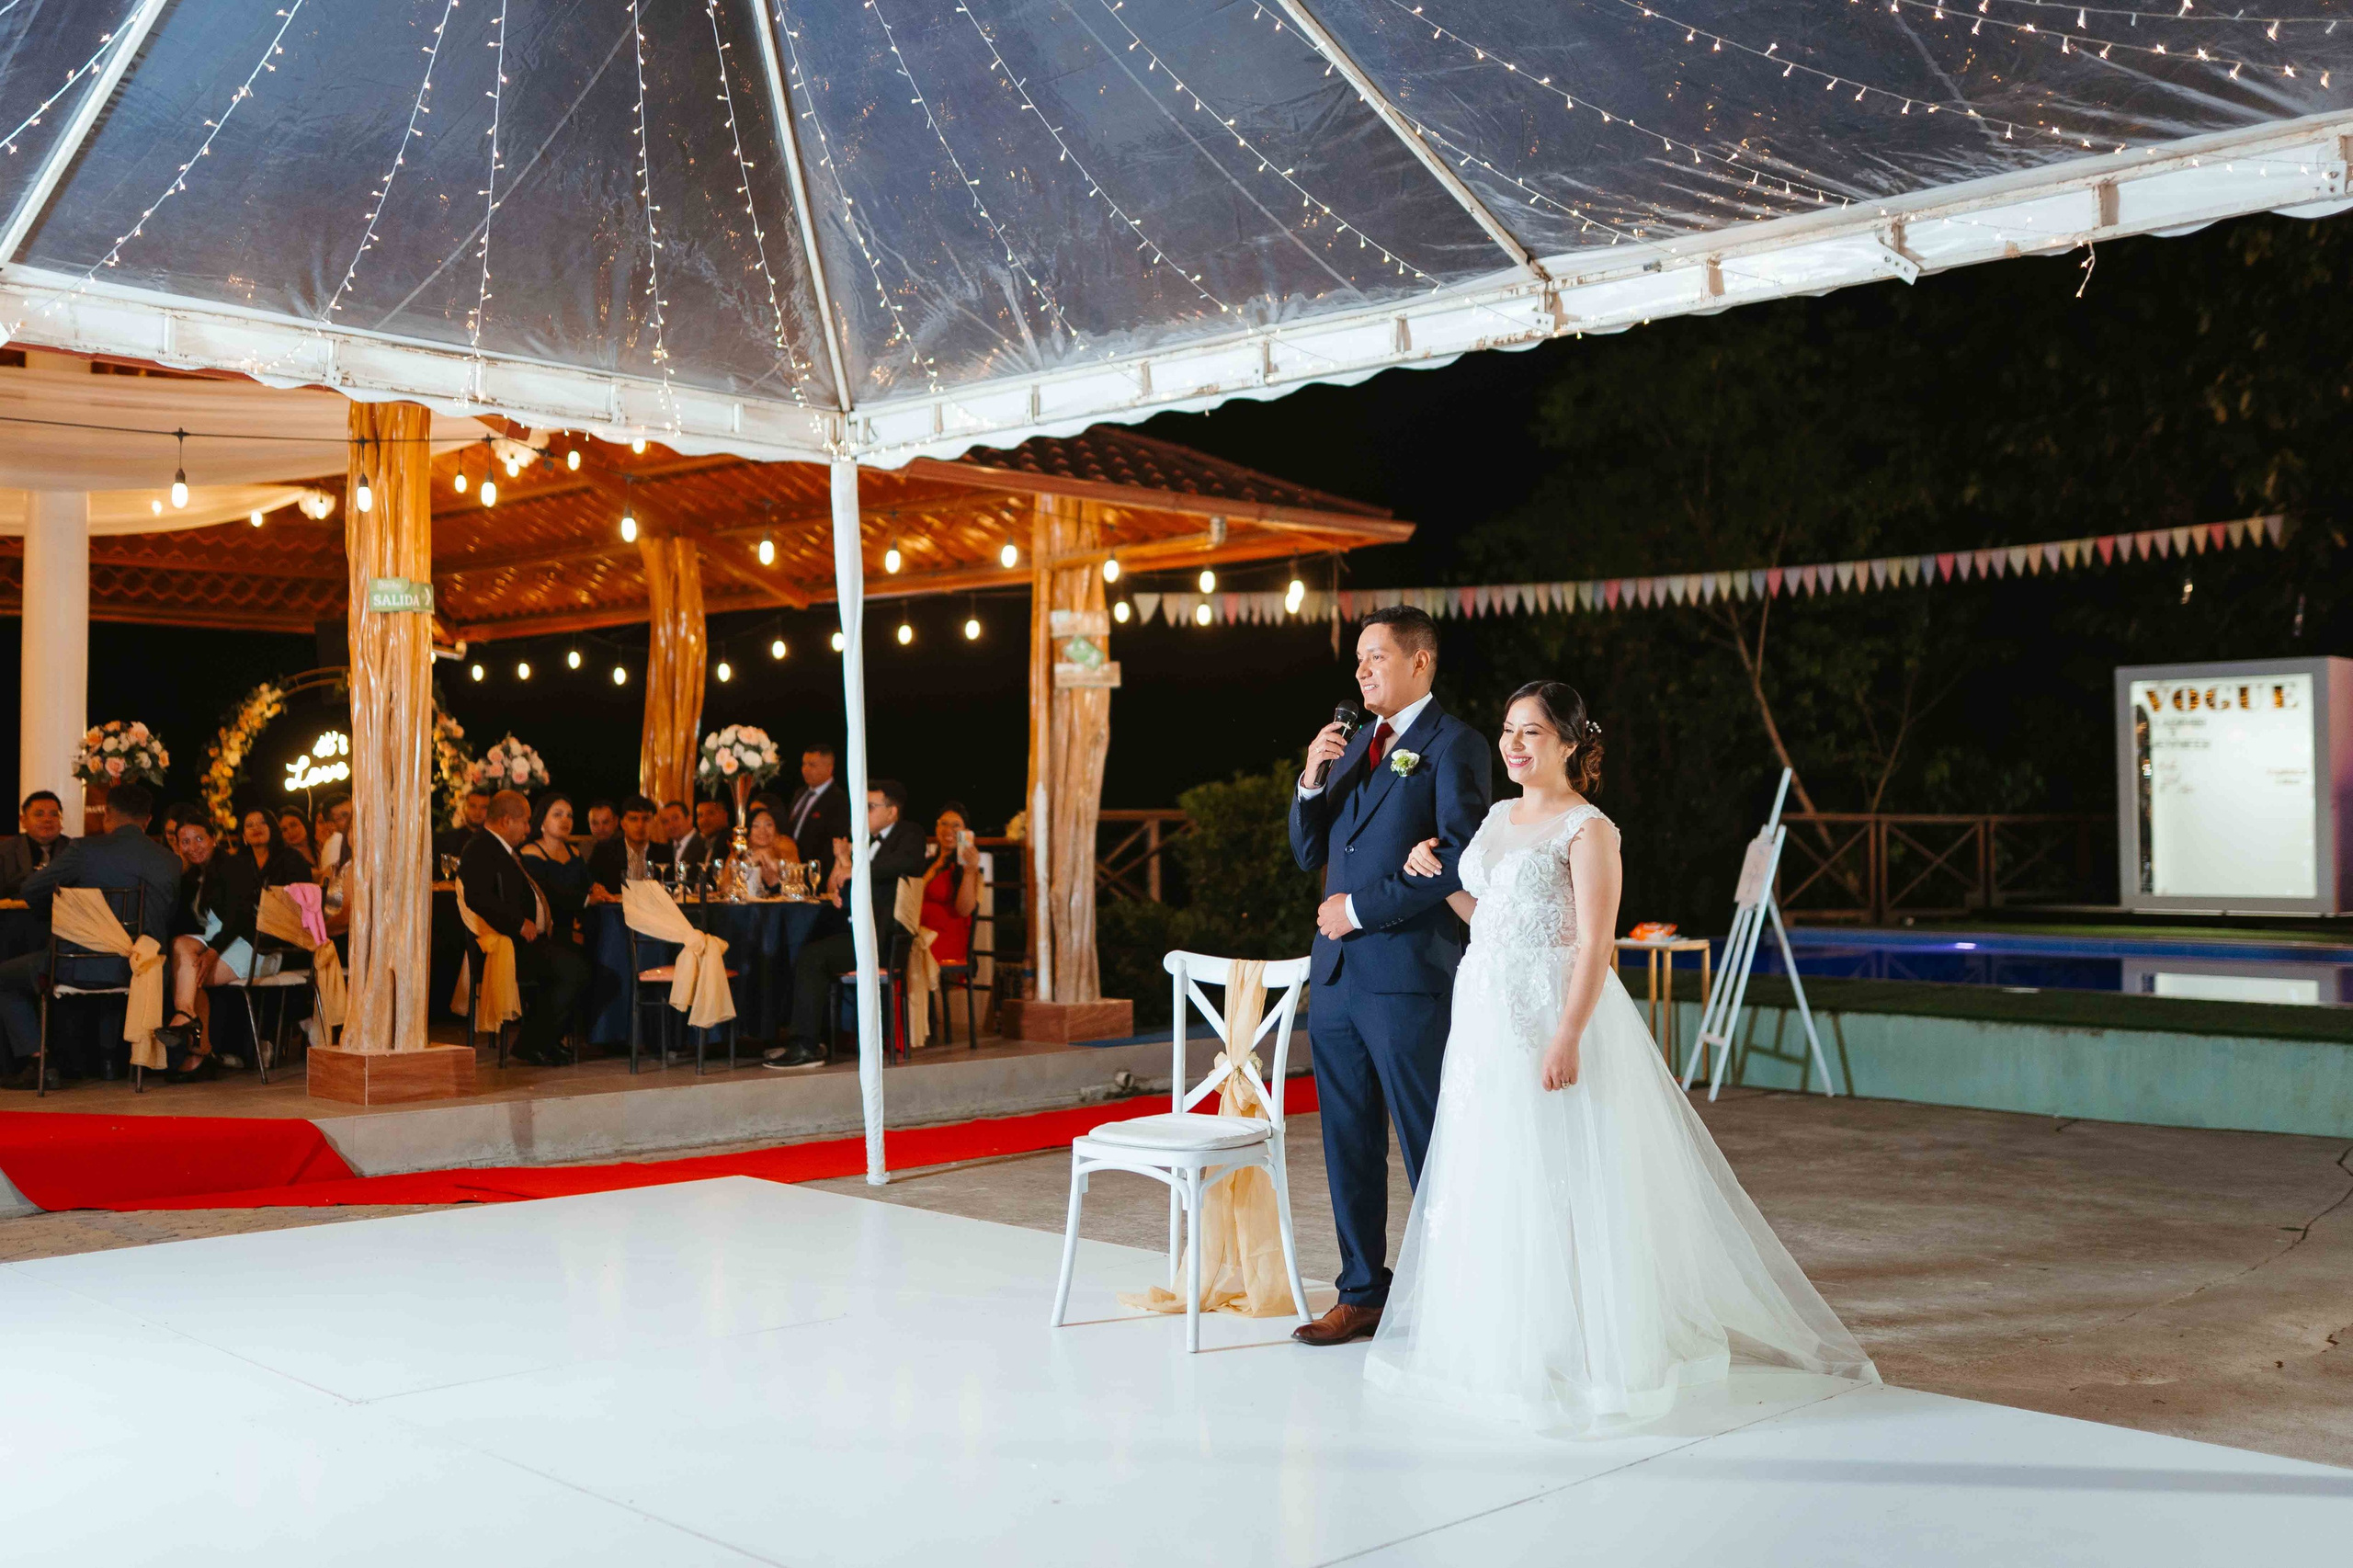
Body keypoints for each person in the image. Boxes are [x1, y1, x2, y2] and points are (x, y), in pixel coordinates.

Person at [1366, 683, 1878, 1430]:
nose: (1514, 744)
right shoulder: (1499, 817)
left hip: (1551, 1013)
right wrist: (1433, 879)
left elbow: (1594, 943)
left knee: (1563, 1170)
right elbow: (1495, 917)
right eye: (1509, 730)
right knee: (1497, 1168)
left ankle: (1579, 1339)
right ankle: (1502, 1334)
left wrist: (1567, 1033)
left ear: (1571, 744)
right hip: (1483, 1018)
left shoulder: (1589, 830)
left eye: (1532, 733)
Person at [1287, 606, 1493, 1347]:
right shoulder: (1349, 746)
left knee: (1429, 1142)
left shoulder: (1455, 745)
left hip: (1407, 974)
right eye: (1360, 660)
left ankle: (1458, 1293)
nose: (1363, 670)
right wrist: (1312, 778)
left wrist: (1360, 912)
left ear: (1420, 662)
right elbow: (1311, 853)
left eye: (1376, 657)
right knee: (1347, 1140)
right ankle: (1361, 1293)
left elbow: (1460, 858)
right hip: (1338, 979)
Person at [0, 784, 179, 1091]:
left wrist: (61, 916)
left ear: (107, 815)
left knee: (4, 978)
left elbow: (31, 890)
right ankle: (113, 1063)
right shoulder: (169, 859)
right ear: (148, 820)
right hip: (144, 970)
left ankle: (37, 1060)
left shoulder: (84, 851)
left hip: (76, 964)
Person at [765, 779, 929, 1070]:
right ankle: (807, 1037)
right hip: (855, 931)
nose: (862, 813)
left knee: (813, 956)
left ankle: (806, 1046)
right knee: (796, 944)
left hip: (883, 939)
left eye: (870, 807)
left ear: (892, 812)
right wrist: (844, 891)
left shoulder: (909, 834)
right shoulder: (864, 840)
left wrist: (854, 868)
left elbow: (905, 863)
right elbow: (854, 883)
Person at [157, 808, 312, 1078]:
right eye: (185, 841)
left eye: (199, 839)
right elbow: (183, 924)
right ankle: (185, 1016)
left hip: (253, 944)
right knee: (180, 945)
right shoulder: (192, 876)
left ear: (213, 838)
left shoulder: (235, 865)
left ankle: (199, 1050)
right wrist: (178, 872)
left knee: (192, 975)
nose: (193, 847)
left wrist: (213, 951)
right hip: (217, 941)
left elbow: (239, 917)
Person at [458, 790, 589, 1068]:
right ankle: (533, 1043)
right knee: (573, 970)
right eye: (526, 822)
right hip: (508, 944)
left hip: (526, 940)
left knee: (577, 962)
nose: (529, 829)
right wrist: (517, 923)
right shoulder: (481, 847)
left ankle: (543, 1041)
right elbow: (477, 897)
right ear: (506, 821)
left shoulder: (501, 848)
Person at [518, 793, 590, 942]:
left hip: (572, 929)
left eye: (569, 816)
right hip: (541, 933)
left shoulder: (575, 853)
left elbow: (587, 884)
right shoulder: (530, 852)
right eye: (557, 815)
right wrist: (588, 899)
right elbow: (547, 894)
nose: (565, 820)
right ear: (542, 822)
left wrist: (597, 890)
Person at [918, 801, 983, 966]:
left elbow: (964, 910)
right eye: (943, 824)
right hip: (920, 935)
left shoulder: (964, 868)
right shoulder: (927, 863)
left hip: (945, 939)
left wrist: (969, 871)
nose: (949, 830)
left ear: (966, 833)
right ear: (936, 828)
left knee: (910, 958)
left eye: (956, 826)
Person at [782, 744, 851, 890]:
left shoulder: (839, 800)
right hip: (792, 873)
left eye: (812, 765)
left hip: (817, 878)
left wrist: (817, 877)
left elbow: (834, 843)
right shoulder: (799, 794)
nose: (805, 769)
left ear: (829, 768)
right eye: (804, 764)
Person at [587, 794, 659, 900]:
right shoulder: (604, 851)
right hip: (614, 912)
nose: (640, 825)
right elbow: (590, 885)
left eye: (646, 819)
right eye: (633, 819)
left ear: (654, 823)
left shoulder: (664, 853)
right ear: (623, 824)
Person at [0, 790, 70, 897]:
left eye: (54, 814)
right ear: (23, 820)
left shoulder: (74, 849)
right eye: (39, 814)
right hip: (16, 911)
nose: (47, 819)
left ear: (61, 820)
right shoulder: (5, 851)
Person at [726, 802, 795, 895]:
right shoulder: (739, 852)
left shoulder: (785, 846)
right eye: (755, 826)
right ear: (748, 831)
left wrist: (774, 878)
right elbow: (725, 888)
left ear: (776, 829)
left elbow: (794, 887)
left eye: (769, 825)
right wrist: (751, 859)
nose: (762, 831)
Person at [435, 786, 493, 861]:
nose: (478, 812)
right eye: (473, 806)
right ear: (464, 808)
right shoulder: (445, 841)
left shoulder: (494, 844)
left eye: (484, 807)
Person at [314, 794, 354, 881]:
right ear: (331, 825)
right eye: (345, 815)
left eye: (353, 812)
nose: (352, 817)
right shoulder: (336, 842)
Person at [277, 808, 319, 872]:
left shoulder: (320, 845)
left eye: (293, 825)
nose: (290, 832)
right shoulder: (287, 860)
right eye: (284, 830)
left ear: (304, 823)